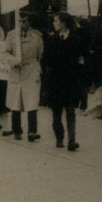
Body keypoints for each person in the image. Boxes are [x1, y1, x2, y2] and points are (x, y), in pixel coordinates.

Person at [42, 12, 87, 151]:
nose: (54, 23)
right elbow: (45, 60)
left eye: (56, 21)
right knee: (56, 112)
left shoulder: (77, 40)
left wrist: (79, 77)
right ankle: (59, 138)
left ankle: (72, 140)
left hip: (71, 81)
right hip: (55, 81)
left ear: (64, 23)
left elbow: (81, 60)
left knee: (70, 110)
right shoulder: (51, 40)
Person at [3, 10, 44, 141]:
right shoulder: (11, 35)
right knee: (16, 100)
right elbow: (5, 53)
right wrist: (14, 61)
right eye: (19, 21)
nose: (21, 24)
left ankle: (32, 131)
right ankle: (17, 130)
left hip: (31, 70)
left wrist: (37, 67)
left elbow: (40, 53)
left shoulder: (36, 35)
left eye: (24, 21)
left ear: (29, 22)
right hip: (16, 71)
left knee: (32, 101)